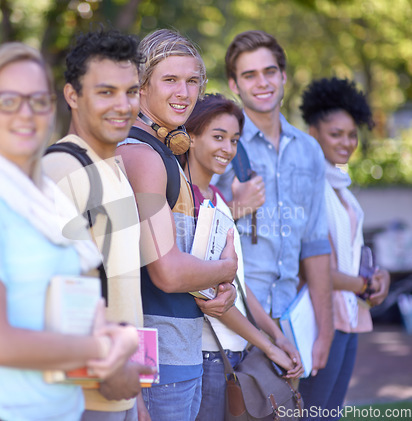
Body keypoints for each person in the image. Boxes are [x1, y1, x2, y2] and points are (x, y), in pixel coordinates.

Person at [0, 42, 139, 421]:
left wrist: (120, 340)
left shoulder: (45, 202)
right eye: (9, 100)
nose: (26, 114)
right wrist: (100, 346)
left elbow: (78, 308)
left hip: (60, 410)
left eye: (38, 101)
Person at [117, 29, 238, 421]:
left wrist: (219, 288)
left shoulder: (165, 151)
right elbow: (166, 272)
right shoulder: (144, 157)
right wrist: (226, 269)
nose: (183, 92)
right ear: (140, 86)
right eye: (169, 80)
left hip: (179, 351)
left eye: (192, 81)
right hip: (159, 361)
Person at [42, 30, 156, 421]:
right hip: (81, 395)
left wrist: (134, 395)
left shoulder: (113, 166)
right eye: (105, 92)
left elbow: (117, 285)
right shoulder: (61, 171)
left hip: (119, 390)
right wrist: (110, 377)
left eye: (131, 91)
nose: (122, 105)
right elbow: (53, 299)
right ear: (72, 96)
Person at [213, 30, 334, 377]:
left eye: (269, 72)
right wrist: (235, 207)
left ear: (283, 76)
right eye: (249, 75)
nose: (262, 82)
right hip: (234, 320)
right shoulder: (223, 142)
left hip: (292, 319)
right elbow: (195, 233)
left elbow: (316, 244)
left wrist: (324, 331)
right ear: (235, 85)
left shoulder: (309, 149)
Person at [182, 93, 304, 421]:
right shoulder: (189, 202)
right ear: (190, 138)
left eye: (234, 140)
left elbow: (239, 284)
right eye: (217, 137)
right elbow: (214, 300)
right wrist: (268, 346)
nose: (228, 148)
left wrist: (278, 335)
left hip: (234, 354)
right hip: (211, 356)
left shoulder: (216, 197)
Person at [298, 77, 390, 420]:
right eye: (335, 134)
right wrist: (362, 285)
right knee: (312, 413)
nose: (347, 142)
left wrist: (376, 277)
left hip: (350, 314)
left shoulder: (342, 189)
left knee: (330, 413)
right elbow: (307, 265)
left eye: (352, 134)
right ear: (312, 133)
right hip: (322, 316)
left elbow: (352, 256)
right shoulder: (309, 186)